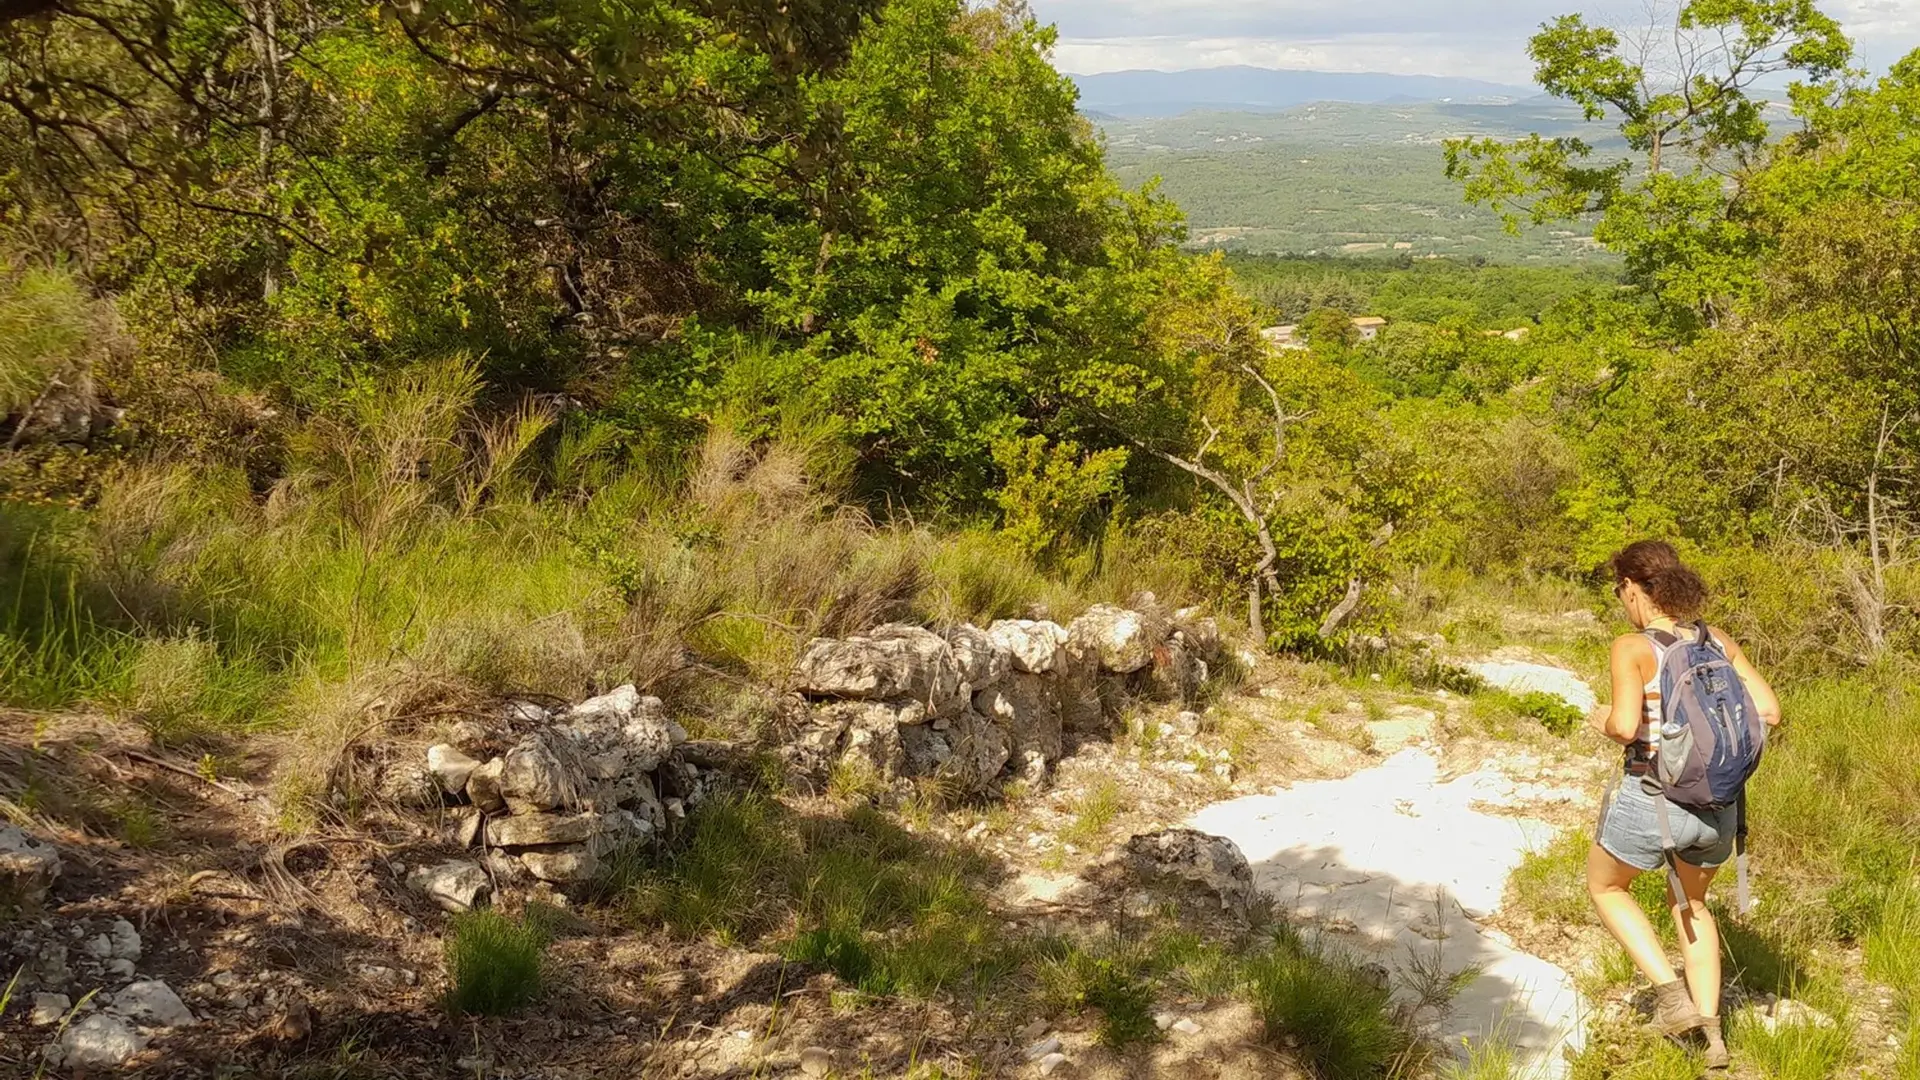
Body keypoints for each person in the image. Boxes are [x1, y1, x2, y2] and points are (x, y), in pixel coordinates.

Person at [1585, 541, 1781, 1071]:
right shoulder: (1717, 640)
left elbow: (1625, 726)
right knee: (1691, 903)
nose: (1622, 601)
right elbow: (1770, 711)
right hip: (1719, 806)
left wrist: (1601, 718)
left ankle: (1672, 1000)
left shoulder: (1632, 647)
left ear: (1632, 587)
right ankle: (1713, 1038)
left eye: (1620, 591)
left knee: (1606, 887)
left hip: (1654, 797)